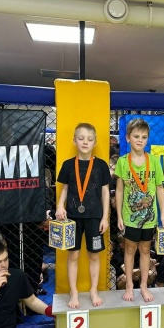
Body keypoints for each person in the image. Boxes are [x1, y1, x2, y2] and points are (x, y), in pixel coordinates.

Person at [55, 123, 110, 308]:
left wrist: (105, 217)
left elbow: (105, 193)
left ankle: (93, 290)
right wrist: (60, 205)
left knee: (94, 255)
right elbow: (65, 188)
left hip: (94, 217)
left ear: (95, 142)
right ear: (74, 140)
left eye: (89, 139)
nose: (85, 142)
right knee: (73, 255)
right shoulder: (68, 165)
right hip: (72, 217)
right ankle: (74, 291)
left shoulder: (101, 165)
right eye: (81, 138)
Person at [115, 118, 164, 302]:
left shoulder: (153, 161)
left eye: (144, 137)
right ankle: (130, 284)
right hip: (130, 216)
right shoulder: (123, 162)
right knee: (130, 249)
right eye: (136, 136)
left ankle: (144, 285)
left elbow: (160, 188)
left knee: (145, 250)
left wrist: (163, 214)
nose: (140, 140)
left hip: (149, 217)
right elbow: (119, 190)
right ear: (128, 138)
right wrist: (119, 215)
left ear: (147, 139)